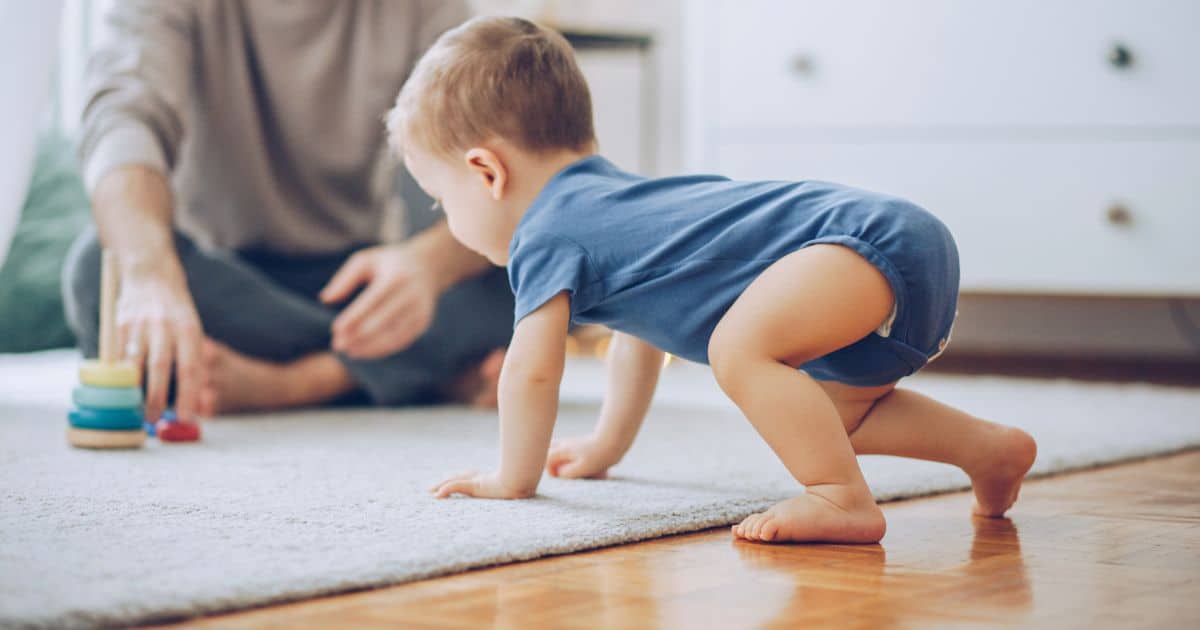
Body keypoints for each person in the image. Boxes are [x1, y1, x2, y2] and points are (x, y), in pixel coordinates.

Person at [399, 16, 1038, 544]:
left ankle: (840, 499)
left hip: (861, 244)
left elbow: (531, 371)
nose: (446, 219)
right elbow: (639, 337)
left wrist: (514, 479)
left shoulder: (546, 233)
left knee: (740, 350)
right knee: (840, 417)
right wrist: (604, 445)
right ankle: (989, 451)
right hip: (905, 246)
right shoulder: (612, 206)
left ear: (486, 173)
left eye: (439, 199)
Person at [62, 1, 514, 424]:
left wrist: (428, 264)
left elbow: (495, 162)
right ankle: (415, 371)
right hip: (220, 278)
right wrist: (151, 276)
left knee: (524, 259)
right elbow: (123, 116)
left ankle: (297, 383)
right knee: (100, 270)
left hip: (361, 281)